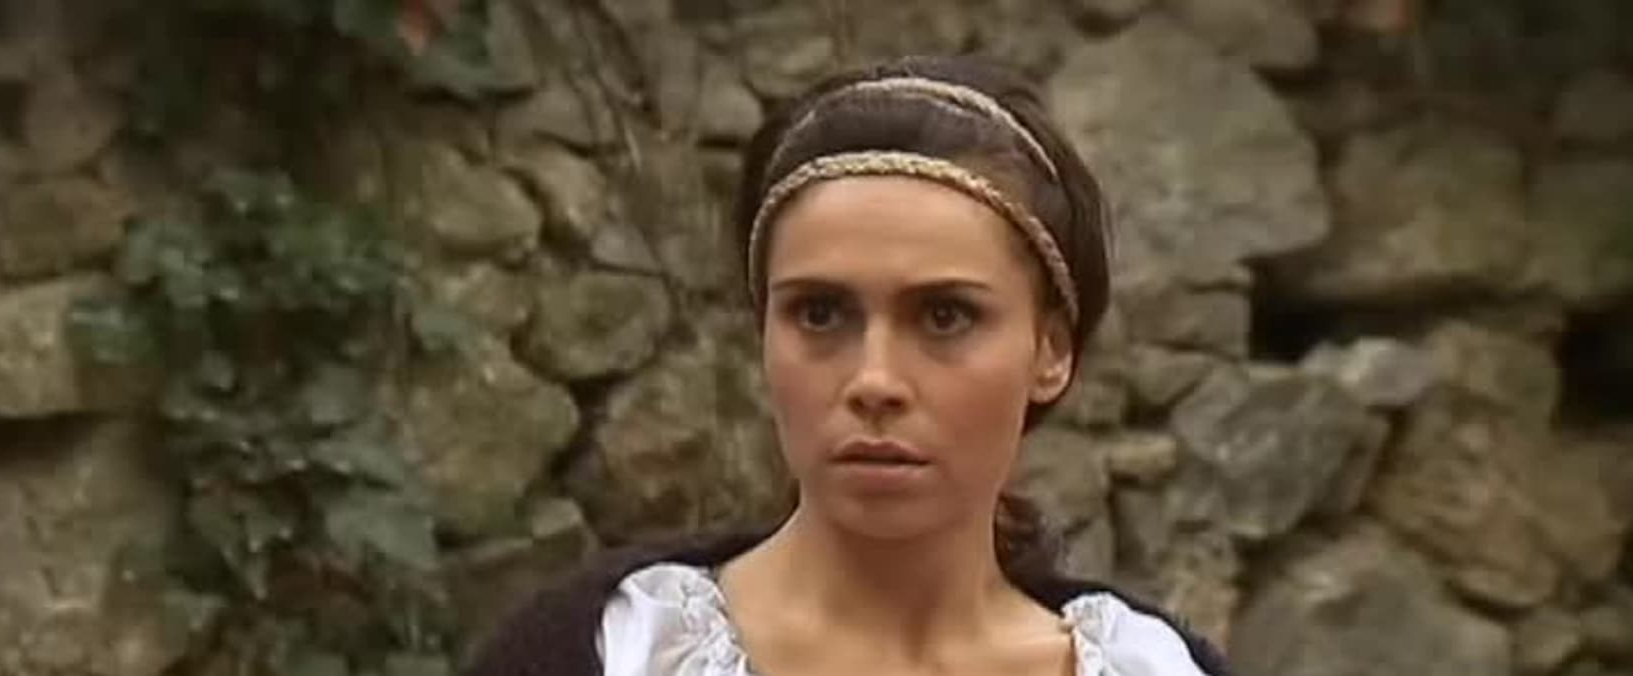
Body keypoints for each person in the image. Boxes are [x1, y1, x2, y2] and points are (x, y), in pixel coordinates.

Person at [468, 54, 1232, 676]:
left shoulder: (1152, 668)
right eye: (820, 314)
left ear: (1051, 350)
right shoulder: (617, 653)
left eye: (945, 316)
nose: (874, 381)